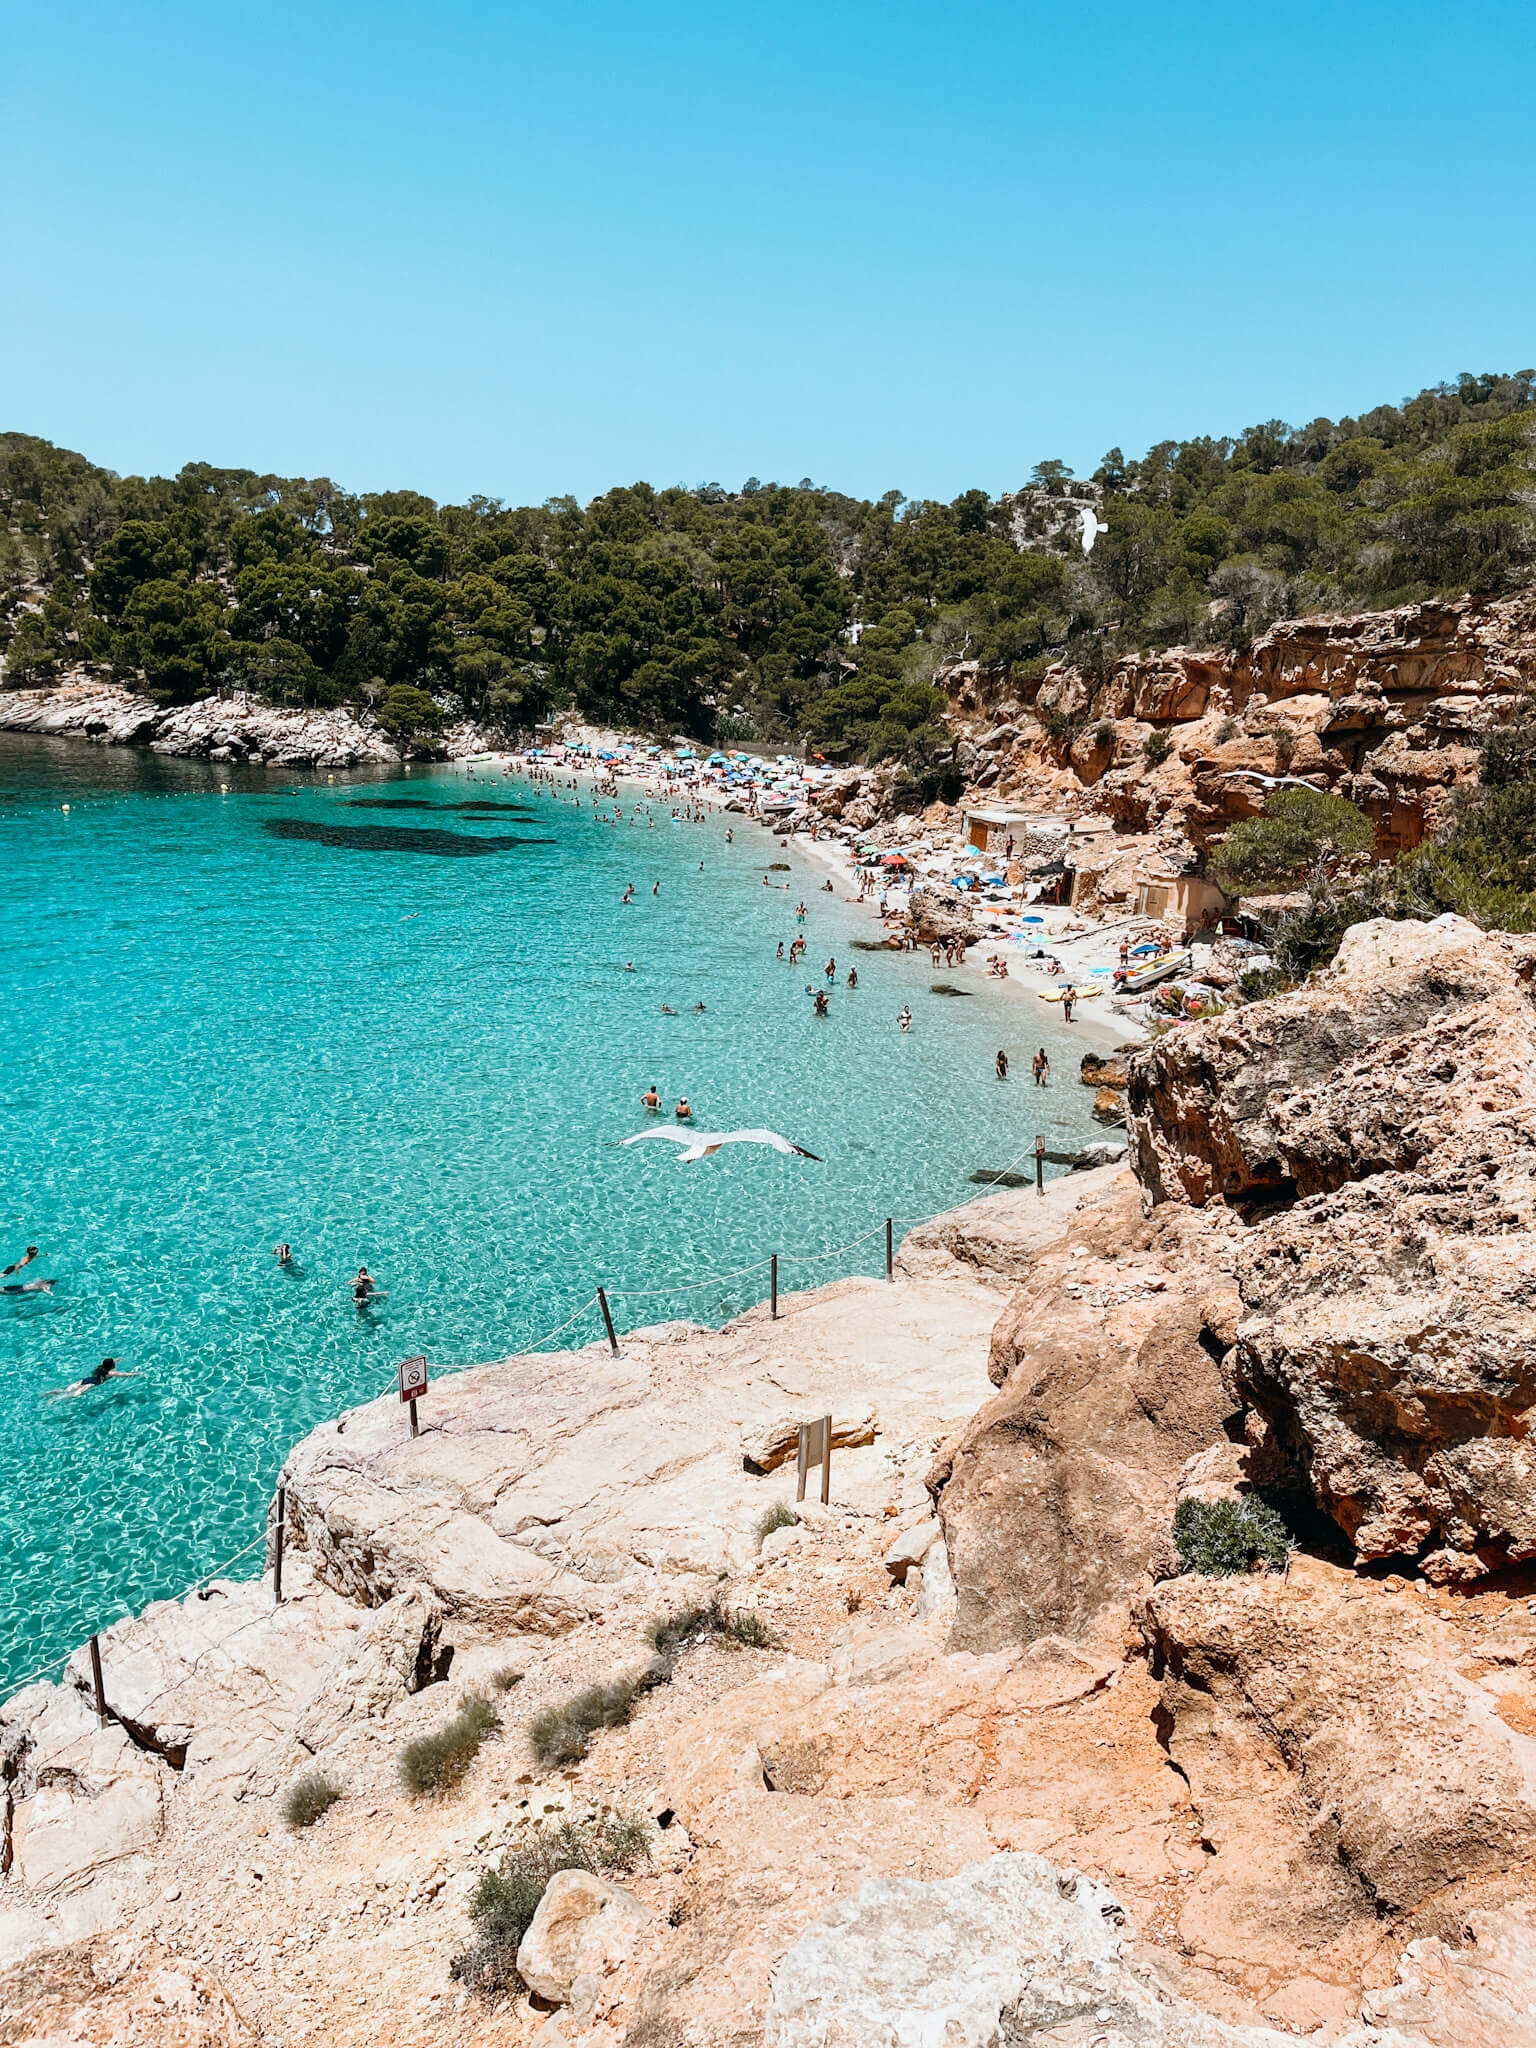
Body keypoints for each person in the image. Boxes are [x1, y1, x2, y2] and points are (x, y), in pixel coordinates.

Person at [50, 1356, 132, 1398]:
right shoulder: (110, 1372)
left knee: (66, 1390)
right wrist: (135, 1374)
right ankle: (54, 1400)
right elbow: (124, 1375)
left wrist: (117, 1360)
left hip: (87, 1380)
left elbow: (108, 1363)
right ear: (111, 1366)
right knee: (74, 1394)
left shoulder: (100, 1367)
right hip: (92, 1383)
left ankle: (49, 1393)